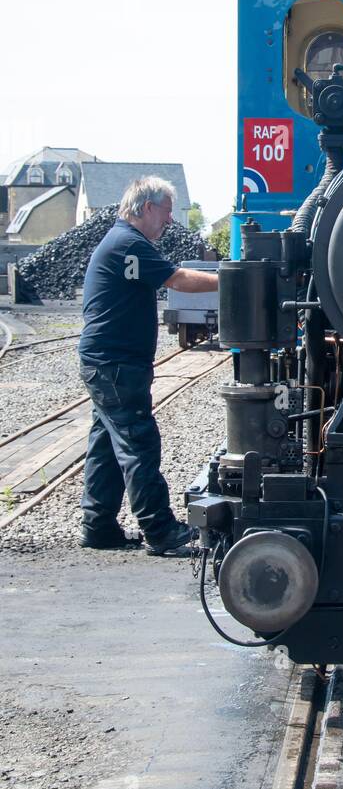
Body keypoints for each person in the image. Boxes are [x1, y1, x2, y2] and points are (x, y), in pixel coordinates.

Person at [78, 177, 219, 554]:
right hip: (116, 365)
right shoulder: (128, 245)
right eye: (167, 212)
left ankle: (98, 527)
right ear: (146, 208)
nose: (170, 221)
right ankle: (162, 533)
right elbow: (177, 279)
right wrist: (233, 280)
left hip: (110, 363)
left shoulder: (123, 242)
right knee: (139, 445)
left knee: (107, 447)